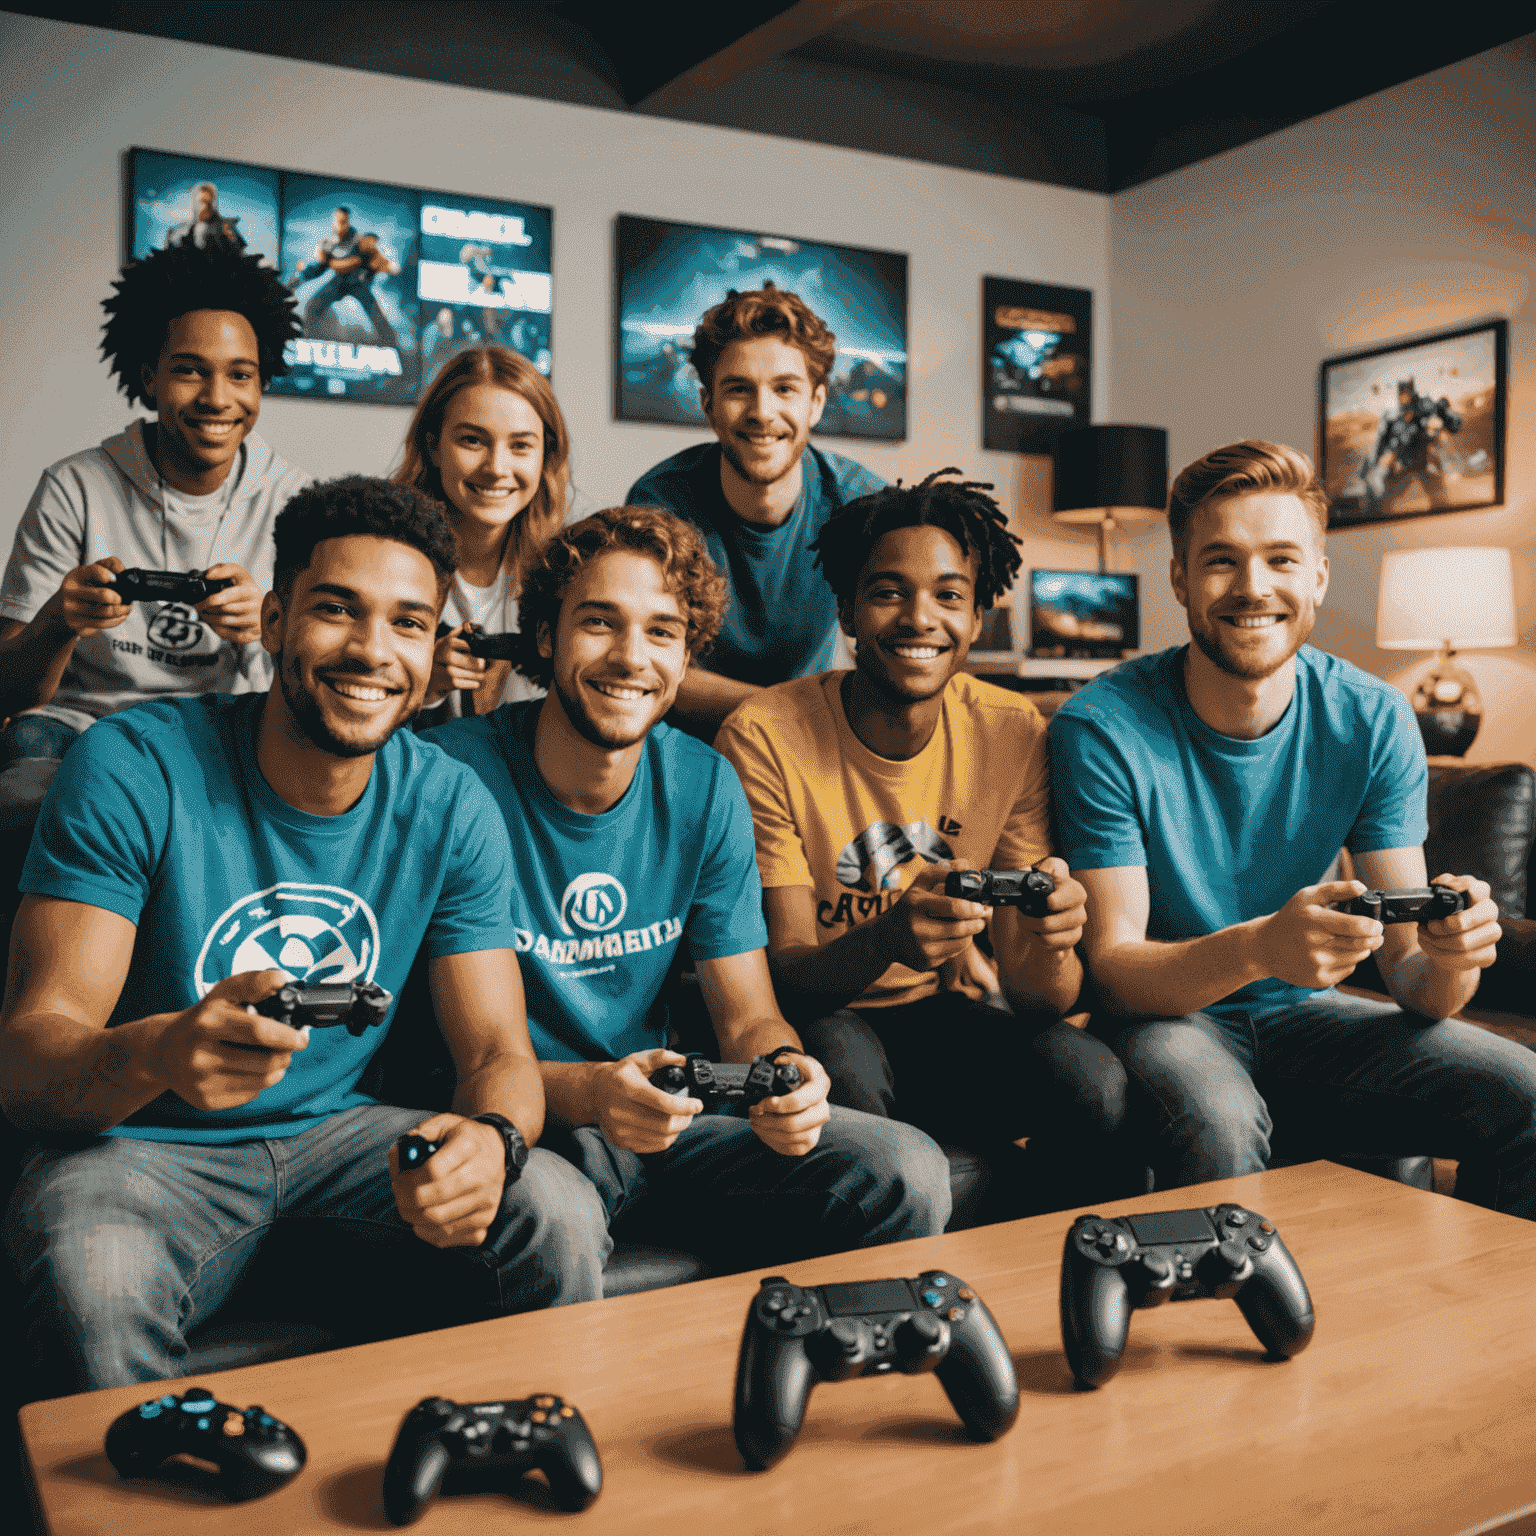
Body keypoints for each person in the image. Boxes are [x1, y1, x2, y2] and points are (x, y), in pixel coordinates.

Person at [0, 477, 606, 1398]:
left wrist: (494, 1140)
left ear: (434, 646)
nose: (372, 651)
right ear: (275, 621)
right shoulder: (134, 766)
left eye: (407, 623)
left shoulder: (448, 802)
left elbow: (497, 1051)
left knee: (553, 1206)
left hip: (340, 1138)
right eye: (336, 611)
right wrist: (162, 1049)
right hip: (145, 1149)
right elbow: (31, 1061)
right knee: (92, 1261)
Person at [428, 505, 951, 1270]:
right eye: (599, 624)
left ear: (686, 654)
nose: (630, 658)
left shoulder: (704, 784)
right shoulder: (455, 775)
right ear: (546, 636)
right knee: (555, 1219)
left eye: (662, 632)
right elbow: (480, 1059)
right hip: (512, 1123)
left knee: (906, 1170)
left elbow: (748, 1018)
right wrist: (601, 1091)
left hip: (660, 1121)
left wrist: (787, 1076)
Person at [1049, 439, 1536, 1215]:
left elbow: (1415, 980)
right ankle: (1203, 1333)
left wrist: (1455, 958)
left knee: (1525, 1091)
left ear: (1318, 575)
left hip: (1310, 1016)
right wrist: (1258, 946)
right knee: (1217, 1119)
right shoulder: (1101, 727)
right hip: (1169, 1020)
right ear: (1179, 577)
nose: (1253, 588)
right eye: (1220, 561)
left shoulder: (1373, 718)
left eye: (1280, 559)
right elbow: (1111, 968)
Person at [716, 471, 1133, 1210]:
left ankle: (1049, 1278)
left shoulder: (1010, 732)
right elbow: (786, 972)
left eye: (948, 595)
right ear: (845, 611)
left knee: (1093, 1081)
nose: (919, 618)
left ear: (978, 617)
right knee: (846, 1076)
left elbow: (1039, 998)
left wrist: (1054, 939)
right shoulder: (765, 735)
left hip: (936, 1016)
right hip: (822, 1006)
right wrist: (888, 937)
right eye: (886, 592)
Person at [0, 241, 310, 834]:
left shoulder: (294, 503)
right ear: (149, 375)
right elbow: (7, 694)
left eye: (240, 375)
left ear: (261, 384)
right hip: (74, 727)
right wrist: (57, 622)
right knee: (23, 799)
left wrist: (264, 632)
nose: (218, 398)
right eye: (190, 370)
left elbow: (310, 689)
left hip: (222, 730)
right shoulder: (75, 487)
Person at [625, 283, 885, 735]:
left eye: (785, 389)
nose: (763, 412)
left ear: (816, 403)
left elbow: (890, 655)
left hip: (811, 749)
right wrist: (791, 710)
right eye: (739, 389)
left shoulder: (861, 505)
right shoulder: (661, 504)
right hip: (689, 743)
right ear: (708, 405)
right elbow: (650, 663)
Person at [393, 345, 576, 721]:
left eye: (521, 445)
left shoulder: (568, 569)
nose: (496, 468)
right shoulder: (383, 560)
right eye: (472, 441)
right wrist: (425, 687)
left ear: (545, 456)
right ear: (434, 448)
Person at [290, 207, 401, 352]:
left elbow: (381, 263)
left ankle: (393, 348)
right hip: (339, 282)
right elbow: (319, 268)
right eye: (337, 222)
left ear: (347, 221)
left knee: (376, 314)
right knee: (312, 306)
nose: (340, 226)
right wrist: (301, 277)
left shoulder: (362, 242)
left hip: (359, 284)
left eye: (343, 222)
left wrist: (389, 267)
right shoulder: (329, 243)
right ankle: (308, 342)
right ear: (333, 222)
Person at [165, 181, 245, 251]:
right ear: (194, 203)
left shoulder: (226, 228)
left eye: (209, 202)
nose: (206, 206)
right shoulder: (176, 232)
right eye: (202, 201)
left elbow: (239, 252)